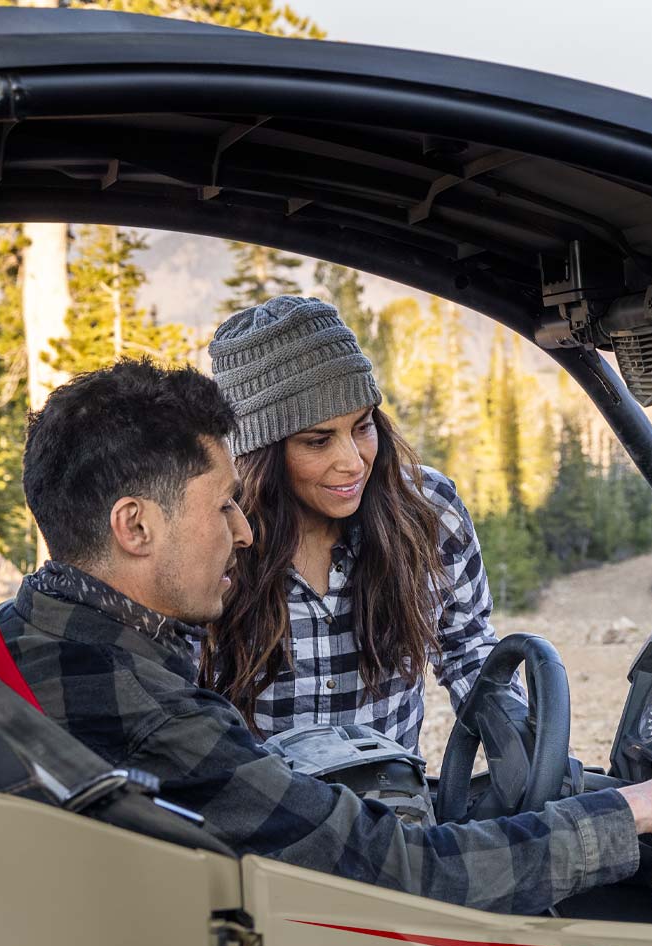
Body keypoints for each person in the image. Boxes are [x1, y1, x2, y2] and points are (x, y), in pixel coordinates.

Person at [0, 359, 652, 914]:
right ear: (135, 526)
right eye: (223, 506)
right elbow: (397, 873)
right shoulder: (147, 706)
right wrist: (635, 809)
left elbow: (468, 662)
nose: (242, 532)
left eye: (362, 427)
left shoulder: (45, 635)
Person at [199, 295, 509, 755]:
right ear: (259, 455)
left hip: (393, 798)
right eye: (318, 441)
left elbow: (468, 646)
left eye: (362, 427)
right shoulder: (211, 536)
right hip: (258, 799)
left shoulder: (428, 509)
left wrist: (516, 737)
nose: (353, 461)